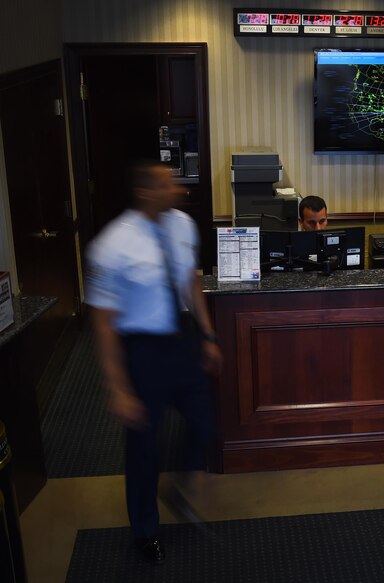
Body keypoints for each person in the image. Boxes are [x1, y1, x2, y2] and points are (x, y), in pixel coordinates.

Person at [85, 160, 222, 563]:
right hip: (140, 351)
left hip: (181, 340)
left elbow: (190, 281)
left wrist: (209, 334)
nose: (177, 189)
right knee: (143, 447)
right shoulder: (111, 245)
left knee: (204, 422)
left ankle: (177, 484)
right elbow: (103, 323)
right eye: (167, 185)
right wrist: (118, 389)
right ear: (146, 192)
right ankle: (145, 531)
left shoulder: (182, 225)